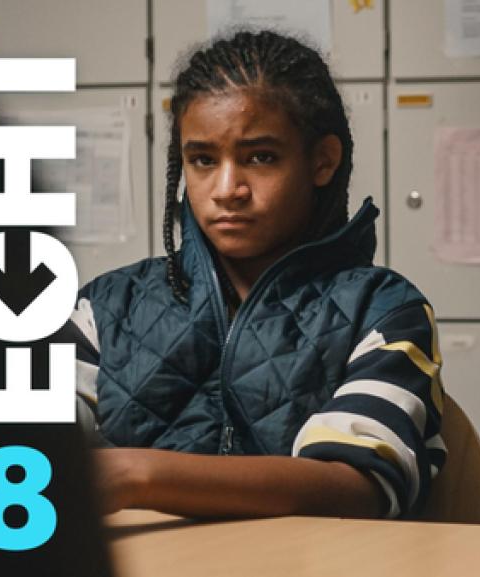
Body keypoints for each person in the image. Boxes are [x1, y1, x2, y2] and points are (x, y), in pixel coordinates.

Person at [66, 30, 445, 521]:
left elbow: (355, 487)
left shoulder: (384, 312)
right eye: (203, 160)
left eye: (260, 157)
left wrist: (135, 474)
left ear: (322, 162)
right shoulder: (105, 307)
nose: (227, 189)